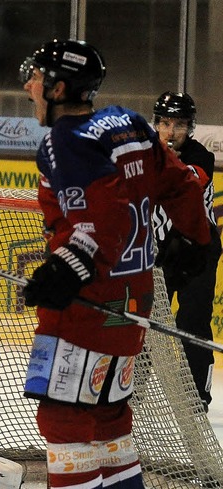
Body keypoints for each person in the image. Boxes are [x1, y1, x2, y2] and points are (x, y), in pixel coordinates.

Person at [19, 39, 211, 489]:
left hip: (88, 306)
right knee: (109, 419)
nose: (29, 86)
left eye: (37, 79)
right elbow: (183, 184)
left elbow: (98, 224)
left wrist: (61, 273)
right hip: (132, 304)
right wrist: (196, 240)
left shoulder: (65, 142)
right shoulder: (128, 123)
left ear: (59, 88)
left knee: (63, 422)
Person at [151, 91, 222, 411]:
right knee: (144, 325)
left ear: (190, 128)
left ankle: (198, 396)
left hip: (197, 252)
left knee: (193, 322)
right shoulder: (144, 155)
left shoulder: (199, 155)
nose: (171, 131)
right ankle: (131, 390)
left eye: (179, 124)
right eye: (165, 123)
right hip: (158, 252)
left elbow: (186, 182)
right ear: (156, 125)